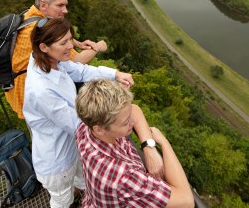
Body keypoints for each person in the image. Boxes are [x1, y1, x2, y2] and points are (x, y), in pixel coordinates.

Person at [23, 18, 163, 208]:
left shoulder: (49, 59)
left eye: (70, 39)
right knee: (62, 200)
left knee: (84, 183)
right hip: (57, 159)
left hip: (75, 148)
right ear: (44, 47)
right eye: (63, 42)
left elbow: (79, 71)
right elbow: (77, 124)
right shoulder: (41, 90)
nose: (70, 46)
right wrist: (114, 114)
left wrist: (114, 74)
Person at [75, 80, 194, 208]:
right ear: (100, 129)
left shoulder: (86, 127)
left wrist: (149, 148)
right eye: (125, 123)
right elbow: (186, 201)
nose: (132, 122)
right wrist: (164, 143)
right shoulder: (124, 177)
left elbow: (135, 110)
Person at [5, 0, 107, 120]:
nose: (65, 10)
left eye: (65, 5)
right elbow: (78, 61)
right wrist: (98, 47)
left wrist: (77, 43)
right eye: (59, 6)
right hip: (32, 98)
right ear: (43, 5)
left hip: (25, 90)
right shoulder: (35, 31)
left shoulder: (30, 17)